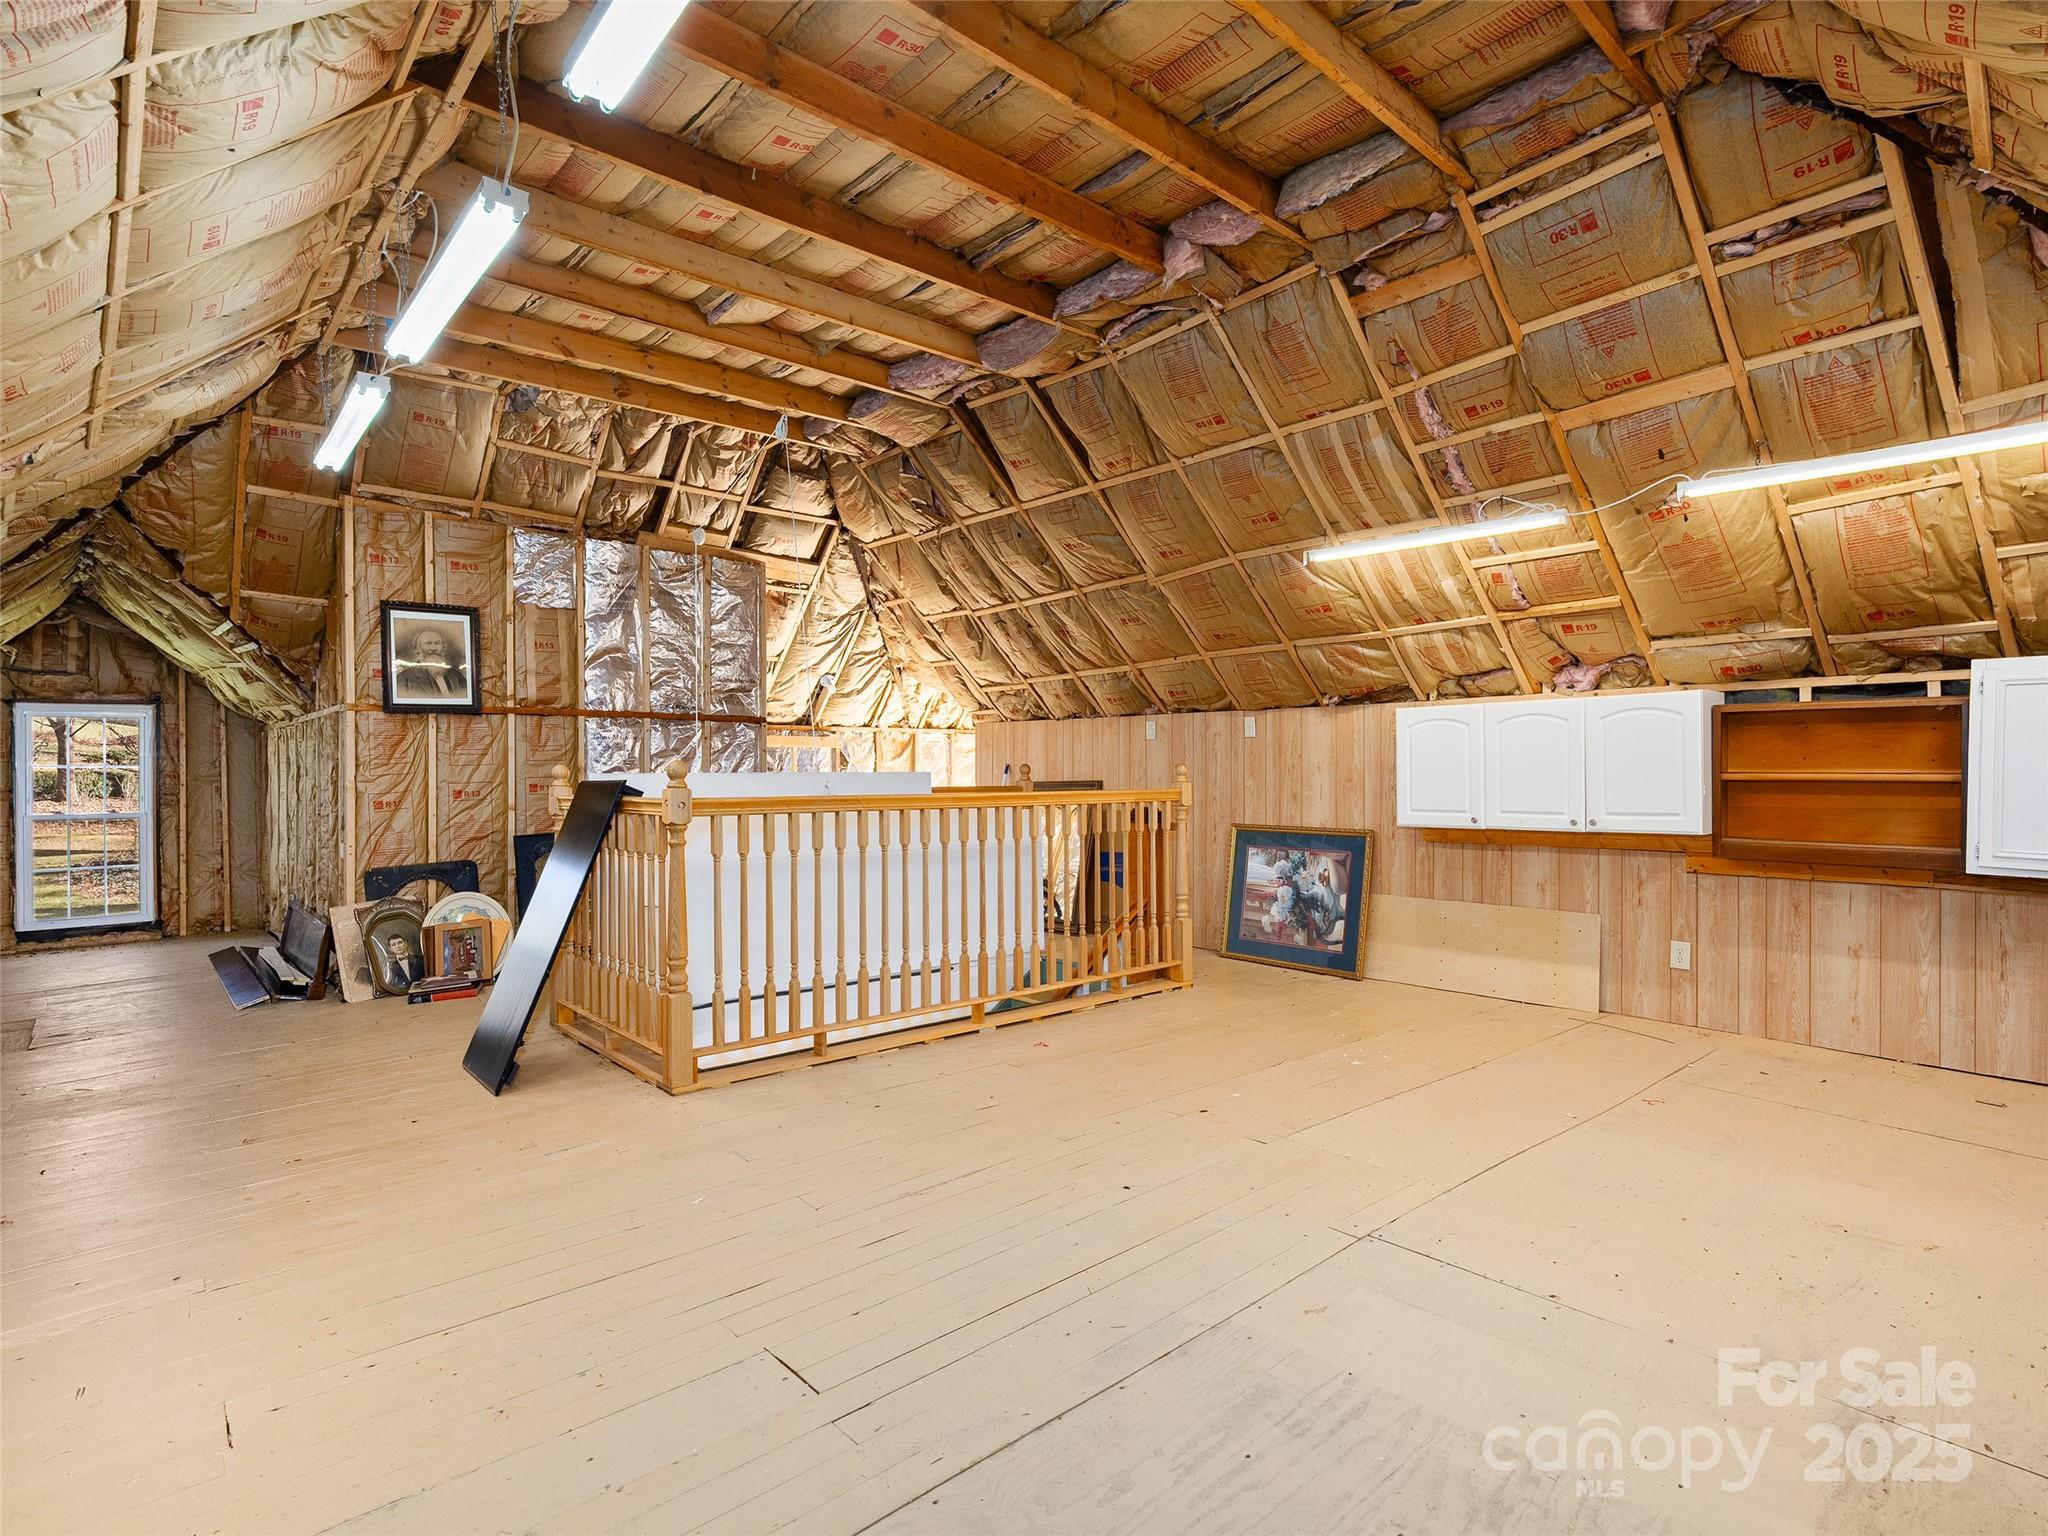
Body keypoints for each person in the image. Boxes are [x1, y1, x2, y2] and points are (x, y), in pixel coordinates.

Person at [396, 624, 468, 699]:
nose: (434, 648)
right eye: (429, 643)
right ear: (417, 649)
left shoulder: (457, 676)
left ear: (442, 647)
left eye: (437, 643)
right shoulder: (404, 679)